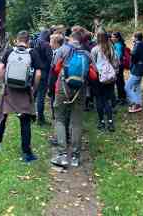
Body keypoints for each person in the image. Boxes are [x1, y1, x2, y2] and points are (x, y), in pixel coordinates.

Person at [0, 31, 43, 163]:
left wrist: (4, 83)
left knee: (2, 116)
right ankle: (27, 153)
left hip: (9, 90)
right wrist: (33, 88)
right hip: (24, 91)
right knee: (25, 121)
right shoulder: (32, 53)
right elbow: (38, 74)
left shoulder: (9, 51)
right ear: (28, 41)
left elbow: (0, 69)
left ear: (16, 40)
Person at [49, 27, 91, 168]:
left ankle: (61, 155)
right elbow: (93, 74)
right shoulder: (87, 53)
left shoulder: (62, 50)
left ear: (71, 38)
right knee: (76, 122)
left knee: (60, 118)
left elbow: (54, 67)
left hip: (63, 87)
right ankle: (75, 157)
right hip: (80, 90)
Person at [91, 29, 119, 132]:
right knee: (107, 99)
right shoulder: (111, 49)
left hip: (99, 78)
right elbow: (116, 64)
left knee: (99, 99)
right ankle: (110, 122)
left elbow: (93, 65)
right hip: (110, 78)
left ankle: (102, 122)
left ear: (97, 38)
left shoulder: (94, 50)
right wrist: (114, 73)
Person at [34, 29, 53, 125]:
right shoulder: (46, 45)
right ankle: (40, 119)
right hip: (43, 73)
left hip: (35, 72)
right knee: (41, 96)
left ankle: (32, 116)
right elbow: (51, 60)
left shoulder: (35, 43)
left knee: (34, 95)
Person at [125, 32, 143, 113]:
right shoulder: (142, 44)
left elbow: (134, 56)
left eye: (133, 37)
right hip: (140, 69)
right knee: (137, 86)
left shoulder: (138, 46)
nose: (132, 38)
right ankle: (138, 104)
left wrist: (130, 55)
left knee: (127, 87)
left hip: (137, 70)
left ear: (136, 38)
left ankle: (136, 103)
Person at [111, 31, 127, 106]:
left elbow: (118, 56)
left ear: (117, 38)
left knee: (119, 82)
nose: (112, 38)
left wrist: (115, 65)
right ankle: (121, 97)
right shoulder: (119, 44)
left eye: (113, 37)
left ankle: (122, 98)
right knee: (120, 81)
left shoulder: (118, 45)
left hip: (118, 66)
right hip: (120, 65)